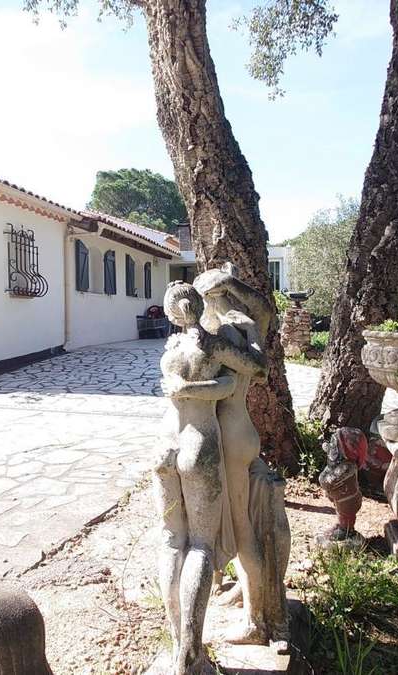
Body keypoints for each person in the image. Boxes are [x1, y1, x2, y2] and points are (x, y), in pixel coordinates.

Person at [154, 280, 267, 674]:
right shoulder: (211, 345)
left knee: (171, 541)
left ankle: (175, 642)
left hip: (164, 444)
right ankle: (189, 653)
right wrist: (251, 338)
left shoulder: (170, 348)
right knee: (201, 545)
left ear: (170, 312)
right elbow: (253, 370)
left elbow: (182, 390)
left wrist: (184, 388)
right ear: (200, 307)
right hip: (197, 443)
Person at [192, 264, 277, 643]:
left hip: (228, 438)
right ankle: (238, 592)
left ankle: (255, 622)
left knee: (241, 529)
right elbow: (265, 314)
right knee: (232, 523)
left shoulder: (221, 332)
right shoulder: (247, 325)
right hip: (242, 431)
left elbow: (251, 371)